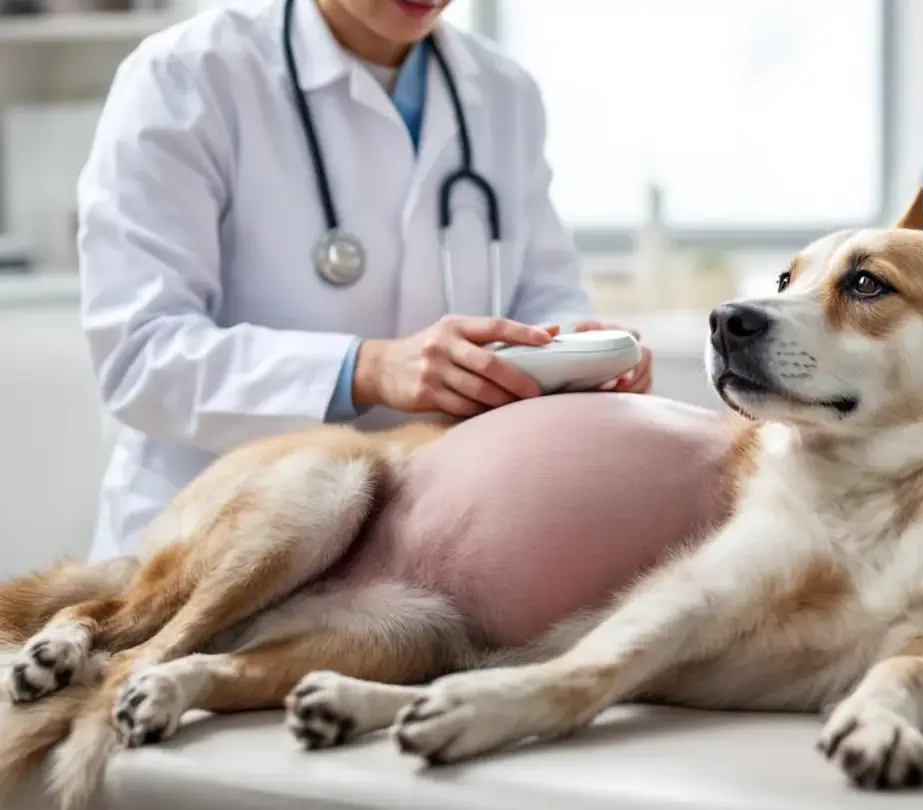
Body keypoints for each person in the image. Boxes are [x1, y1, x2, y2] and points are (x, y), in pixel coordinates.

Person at [76, 0, 654, 562]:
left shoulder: (504, 92)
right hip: (206, 539)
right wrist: (369, 370)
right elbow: (142, 358)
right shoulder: (188, 75)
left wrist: (582, 353)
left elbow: (545, 296)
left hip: (420, 546)